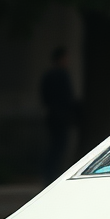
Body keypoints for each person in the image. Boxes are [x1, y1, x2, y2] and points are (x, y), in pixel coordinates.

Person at [40, 46, 78, 182]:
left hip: (53, 116)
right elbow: (68, 97)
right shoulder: (62, 75)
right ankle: (52, 175)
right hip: (60, 117)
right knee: (58, 148)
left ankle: (49, 175)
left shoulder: (49, 75)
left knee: (54, 147)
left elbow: (44, 97)